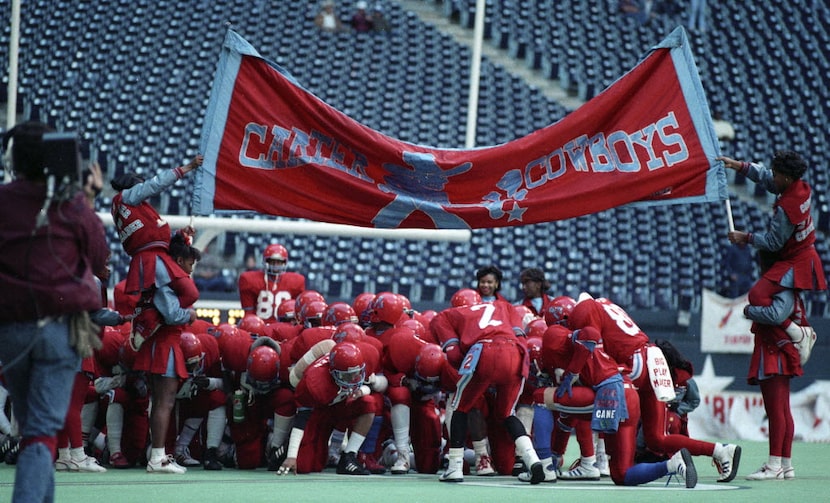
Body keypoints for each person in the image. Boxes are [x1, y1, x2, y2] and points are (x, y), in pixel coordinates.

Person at [0, 121, 109, 502]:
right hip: (59, 329)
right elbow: (99, 257)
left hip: (11, 329)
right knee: (41, 431)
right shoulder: (71, 203)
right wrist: (88, 199)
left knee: (34, 430)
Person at [720, 151, 826, 480]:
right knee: (781, 408)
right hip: (779, 344)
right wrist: (739, 166)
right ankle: (787, 464)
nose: (773, 179)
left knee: (776, 408)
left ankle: (775, 464)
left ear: (787, 178)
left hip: (775, 350)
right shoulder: (799, 189)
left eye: (778, 175)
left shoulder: (783, 277)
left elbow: (775, 241)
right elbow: (767, 178)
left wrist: (746, 238)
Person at [431, 301, 545, 484]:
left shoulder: (444, 316)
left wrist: (470, 364)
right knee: (508, 413)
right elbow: (521, 339)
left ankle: (454, 467)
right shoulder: (504, 306)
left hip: (485, 350)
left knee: (459, 408)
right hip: (515, 352)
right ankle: (533, 461)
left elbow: (452, 355)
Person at [238, 243, 306, 324]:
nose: (275, 265)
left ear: (284, 263)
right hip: (260, 326)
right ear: (265, 261)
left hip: (284, 327)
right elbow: (249, 313)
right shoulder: (250, 279)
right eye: (272, 262)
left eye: (279, 262)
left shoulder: (295, 281)